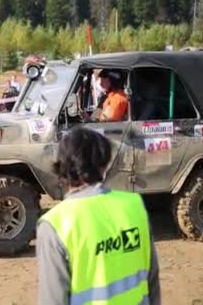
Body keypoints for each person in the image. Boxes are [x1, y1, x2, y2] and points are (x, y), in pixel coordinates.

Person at [37, 127, 161, 305]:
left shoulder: (54, 225)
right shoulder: (134, 206)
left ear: (61, 167)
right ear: (104, 165)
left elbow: (53, 299)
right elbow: (152, 281)